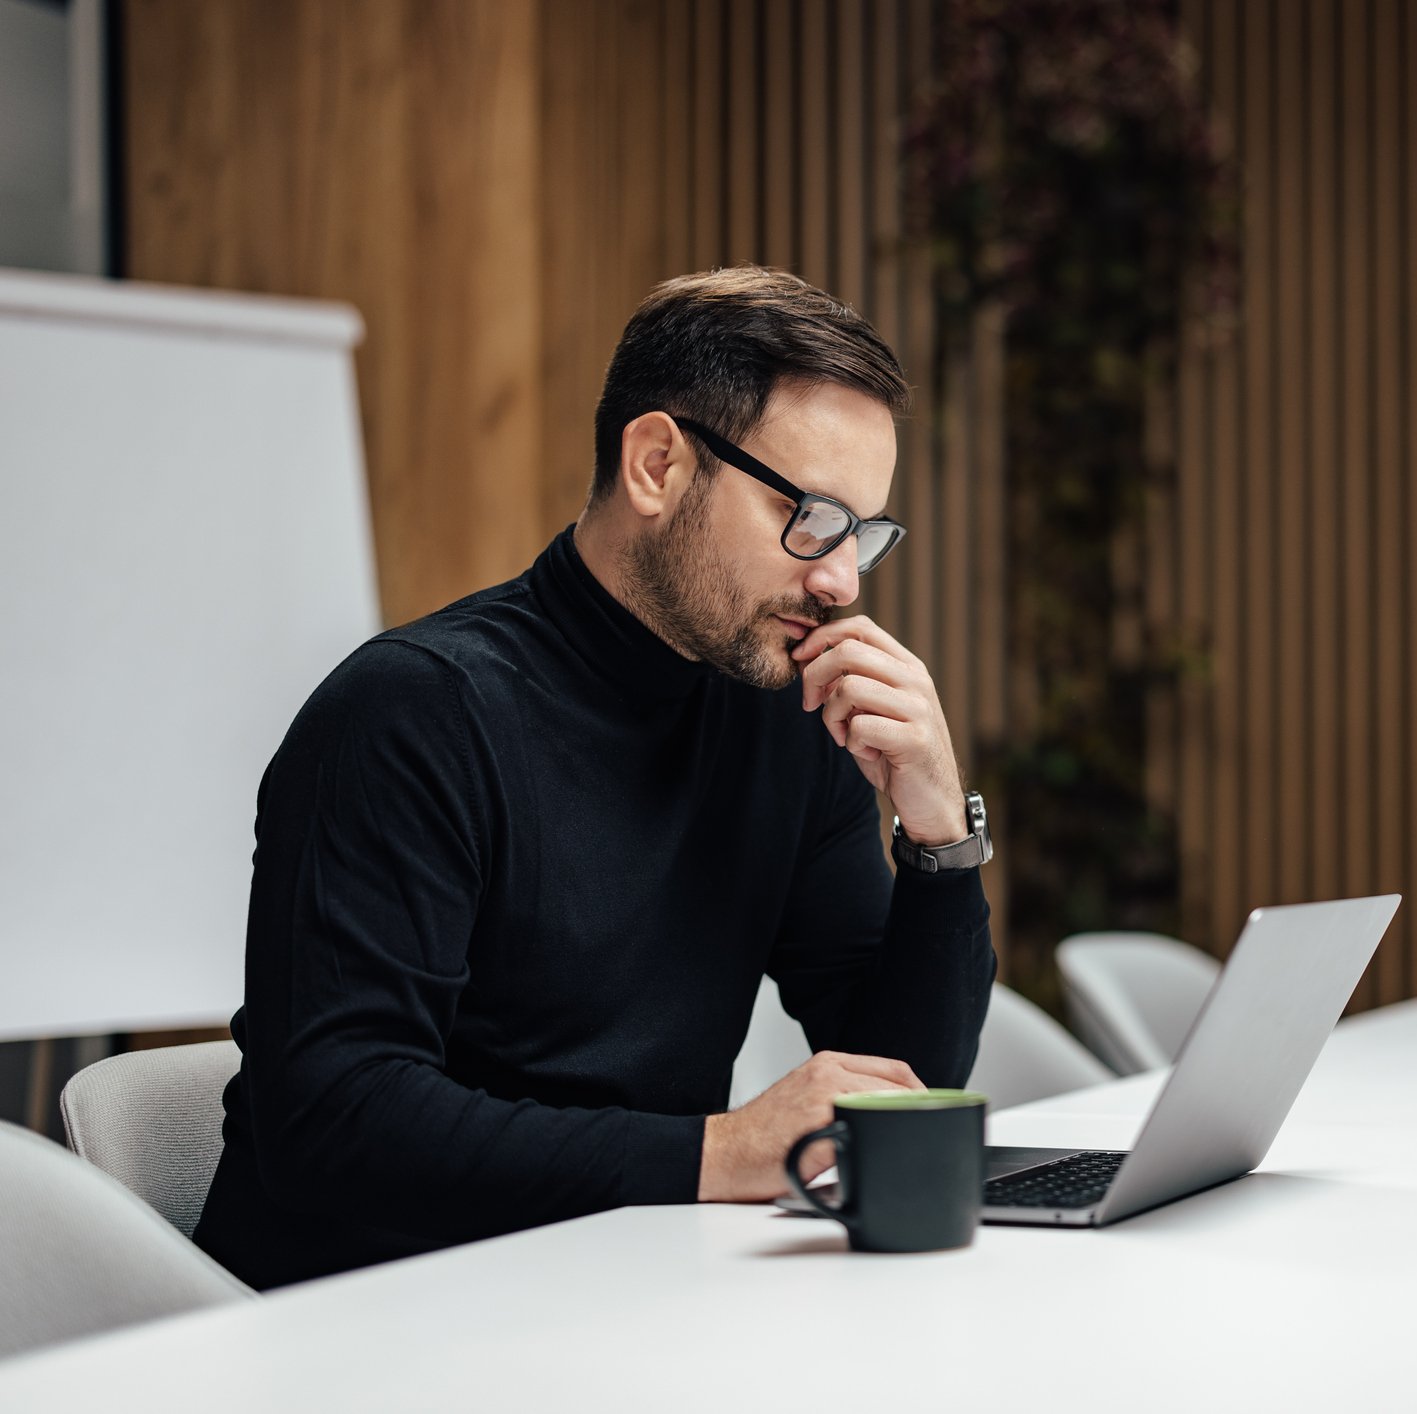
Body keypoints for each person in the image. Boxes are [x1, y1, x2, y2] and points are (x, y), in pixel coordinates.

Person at [192, 267, 995, 1289]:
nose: (839, 580)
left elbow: (898, 1089)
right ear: (657, 464)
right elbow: (338, 1122)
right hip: (358, 1324)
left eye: (862, 535)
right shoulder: (410, 712)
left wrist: (934, 830)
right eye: (811, 518)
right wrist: (717, 1152)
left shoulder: (782, 720)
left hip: (620, 1293)